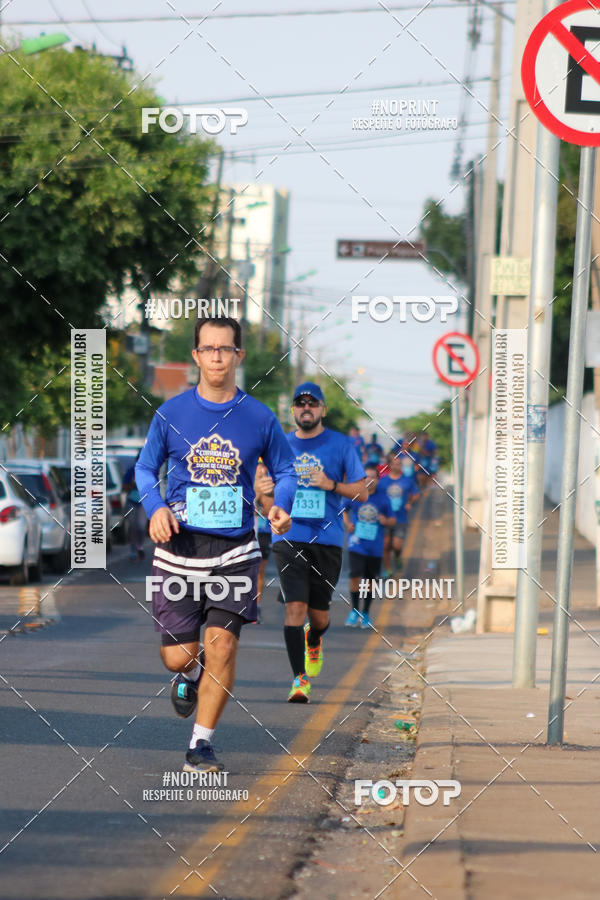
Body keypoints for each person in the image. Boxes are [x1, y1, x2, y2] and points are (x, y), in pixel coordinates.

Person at [135, 316, 296, 773]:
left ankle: (199, 746)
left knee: (222, 646)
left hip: (235, 552)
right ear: (196, 356)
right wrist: (156, 509)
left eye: (226, 349)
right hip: (178, 551)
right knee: (179, 656)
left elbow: (284, 471)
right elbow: (145, 469)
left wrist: (281, 505)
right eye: (208, 349)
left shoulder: (260, 417)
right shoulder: (170, 414)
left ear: (239, 356)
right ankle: (189, 674)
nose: (217, 357)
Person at [272, 382, 367, 703]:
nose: (306, 408)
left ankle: (314, 640)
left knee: (320, 617)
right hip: (288, 537)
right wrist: (262, 492)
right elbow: (265, 494)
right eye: (300, 403)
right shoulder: (280, 445)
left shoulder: (341, 446)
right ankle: (299, 680)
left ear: (323, 409)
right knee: (294, 607)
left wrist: (331, 484)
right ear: (293, 410)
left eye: (313, 403)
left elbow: (362, 492)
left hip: (327, 540)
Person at [342, 464, 395, 629]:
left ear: (378, 480)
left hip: (375, 546)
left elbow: (392, 520)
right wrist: (347, 523)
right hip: (356, 544)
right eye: (366, 477)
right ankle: (354, 610)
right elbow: (342, 509)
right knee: (355, 576)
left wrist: (384, 520)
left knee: (371, 580)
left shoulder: (383, 499)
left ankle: (365, 612)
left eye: (373, 477)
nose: (369, 480)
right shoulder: (355, 494)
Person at [379, 452, 419, 576]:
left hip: (401, 517)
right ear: (390, 465)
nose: (398, 466)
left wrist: (409, 503)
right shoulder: (383, 481)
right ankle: (388, 570)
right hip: (385, 518)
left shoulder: (407, 481)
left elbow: (416, 494)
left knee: (397, 545)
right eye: (395, 464)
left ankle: (397, 557)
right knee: (385, 545)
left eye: (399, 464)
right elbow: (377, 496)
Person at [254, 459, 275, 624]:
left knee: (260, 570)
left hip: (263, 531)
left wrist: (262, 494)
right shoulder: (245, 479)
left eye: (263, 465)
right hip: (245, 530)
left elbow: (270, 509)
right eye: (258, 465)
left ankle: (256, 605)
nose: (261, 469)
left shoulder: (270, 483)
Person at [122, 450, 146, 561]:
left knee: (141, 527)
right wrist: (132, 484)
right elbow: (124, 487)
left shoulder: (147, 472)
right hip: (132, 501)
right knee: (133, 527)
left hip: (143, 502)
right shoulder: (130, 471)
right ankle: (132, 550)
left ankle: (140, 546)